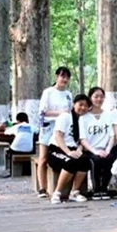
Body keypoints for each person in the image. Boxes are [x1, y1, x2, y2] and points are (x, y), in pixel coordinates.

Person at [48, 94, 91, 205]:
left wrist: (79, 150)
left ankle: (74, 192)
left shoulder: (84, 120)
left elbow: (81, 140)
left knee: (85, 160)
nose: (83, 108)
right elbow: (58, 136)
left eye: (86, 106)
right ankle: (57, 193)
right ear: (74, 104)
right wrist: (68, 152)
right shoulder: (65, 116)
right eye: (80, 104)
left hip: (73, 149)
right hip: (57, 149)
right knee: (70, 161)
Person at [37, 67, 73, 199]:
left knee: (62, 155)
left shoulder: (68, 94)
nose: (64, 79)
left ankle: (64, 188)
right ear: (56, 77)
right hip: (49, 127)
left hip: (63, 129)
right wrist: (60, 113)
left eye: (67, 77)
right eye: (62, 76)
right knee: (43, 158)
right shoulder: (48, 92)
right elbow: (43, 112)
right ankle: (42, 188)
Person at [79, 87, 115, 200]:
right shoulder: (84, 118)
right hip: (91, 150)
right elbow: (83, 139)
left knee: (110, 158)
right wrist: (95, 151)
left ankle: (104, 188)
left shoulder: (109, 115)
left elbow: (112, 135)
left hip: (105, 149)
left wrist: (107, 150)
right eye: (96, 96)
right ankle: (96, 189)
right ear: (90, 98)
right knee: (96, 160)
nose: (99, 99)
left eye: (101, 97)